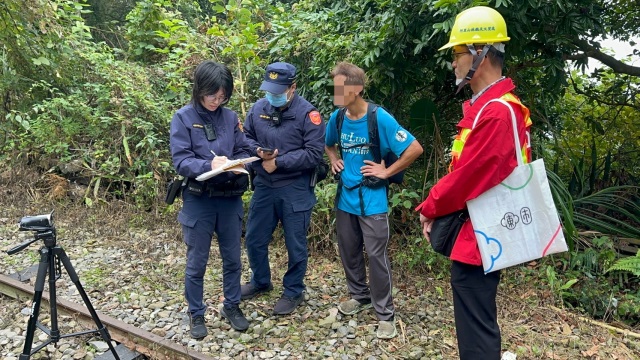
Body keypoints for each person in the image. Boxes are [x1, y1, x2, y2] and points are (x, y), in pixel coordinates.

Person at [416, 6, 532, 359]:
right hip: (480, 230)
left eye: (457, 53)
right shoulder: (492, 106)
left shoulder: (497, 111)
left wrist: (430, 207)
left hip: (482, 233)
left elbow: (471, 177)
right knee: (475, 310)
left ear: (480, 54)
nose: (453, 63)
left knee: (475, 319)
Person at [325, 62, 423, 339]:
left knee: (377, 257)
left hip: (373, 199)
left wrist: (387, 171)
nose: (335, 90)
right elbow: (328, 143)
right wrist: (334, 160)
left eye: (339, 86)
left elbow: (414, 148)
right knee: (349, 250)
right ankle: (359, 295)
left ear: (355, 89)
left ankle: (385, 314)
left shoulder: (379, 118)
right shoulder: (338, 118)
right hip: (345, 198)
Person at [170, 60, 252, 338]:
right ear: (199, 90)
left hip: (230, 200)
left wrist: (242, 162)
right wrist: (210, 165)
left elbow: (242, 147)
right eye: (212, 95)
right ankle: (196, 312)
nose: (217, 101)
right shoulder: (183, 117)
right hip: (199, 200)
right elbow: (181, 160)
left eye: (223, 96)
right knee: (197, 261)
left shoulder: (230, 118)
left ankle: (232, 305)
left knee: (233, 259)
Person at [241, 62, 326, 315]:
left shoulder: (309, 114)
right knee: (255, 239)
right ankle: (260, 281)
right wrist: (257, 152)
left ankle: (293, 290)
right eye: (270, 89)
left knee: (295, 244)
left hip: (294, 189)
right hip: (264, 187)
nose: (273, 95)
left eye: (278, 90)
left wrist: (278, 162)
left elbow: (313, 154)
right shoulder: (258, 109)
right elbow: (244, 137)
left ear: (293, 88)